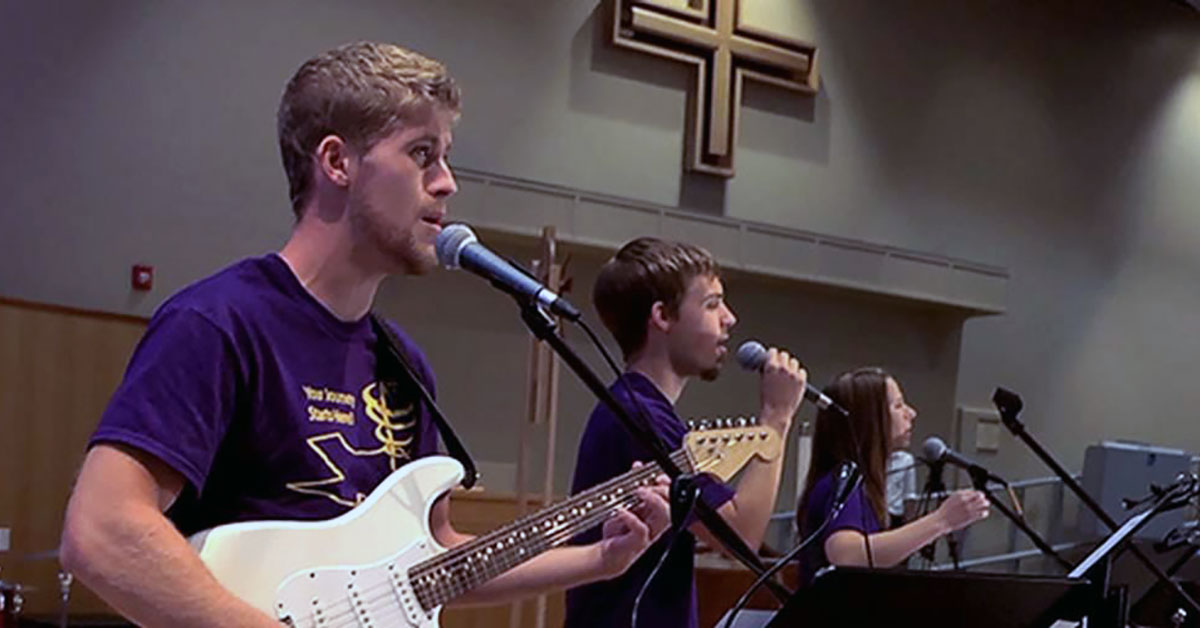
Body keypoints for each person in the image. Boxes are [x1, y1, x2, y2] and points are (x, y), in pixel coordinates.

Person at [58, 41, 670, 627]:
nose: (447, 182)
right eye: (422, 153)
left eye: (446, 156)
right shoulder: (218, 324)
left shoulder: (404, 364)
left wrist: (598, 560)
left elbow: (433, 559)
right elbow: (102, 531)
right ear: (336, 162)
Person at [564, 237, 807, 628]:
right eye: (712, 304)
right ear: (662, 316)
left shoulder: (644, 410)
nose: (729, 318)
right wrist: (776, 418)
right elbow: (741, 532)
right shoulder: (639, 416)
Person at [795, 367, 989, 584]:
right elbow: (846, 555)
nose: (911, 413)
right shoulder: (841, 482)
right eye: (898, 405)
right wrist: (942, 520)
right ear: (868, 419)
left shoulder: (858, 483)